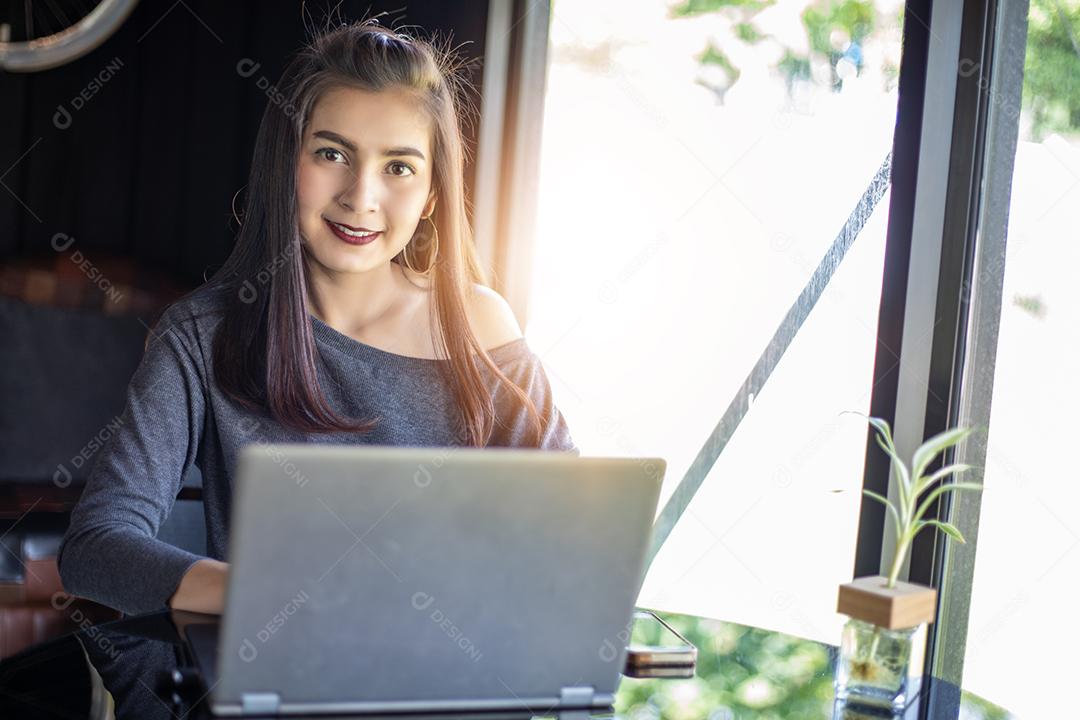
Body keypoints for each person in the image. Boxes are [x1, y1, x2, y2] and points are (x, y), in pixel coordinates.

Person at [56, 19, 577, 617]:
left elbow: (570, 537)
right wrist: (269, 595)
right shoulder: (201, 337)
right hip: (274, 680)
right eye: (332, 154)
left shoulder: (480, 329)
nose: (361, 196)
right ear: (287, 163)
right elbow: (96, 546)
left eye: (399, 167)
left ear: (432, 192)